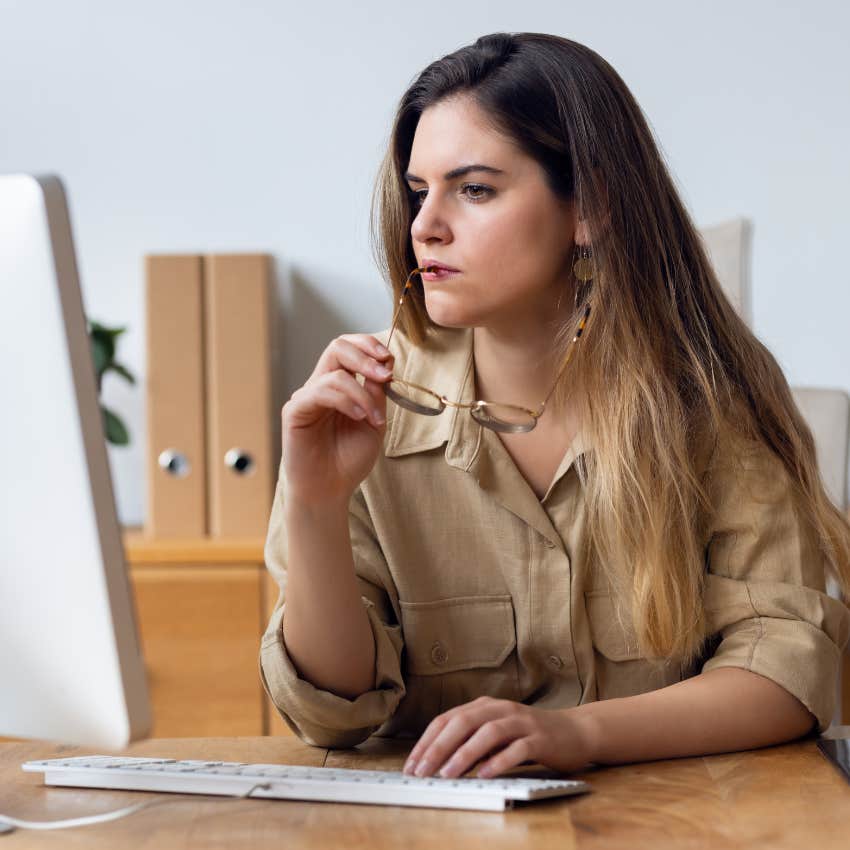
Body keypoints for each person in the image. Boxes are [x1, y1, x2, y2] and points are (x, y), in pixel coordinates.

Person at [259, 32, 850, 781]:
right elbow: (330, 714)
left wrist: (576, 736)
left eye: (474, 190)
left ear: (591, 208)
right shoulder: (361, 408)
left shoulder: (707, 401)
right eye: (419, 191)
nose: (425, 226)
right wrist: (315, 501)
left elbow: (787, 671)